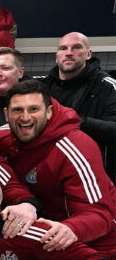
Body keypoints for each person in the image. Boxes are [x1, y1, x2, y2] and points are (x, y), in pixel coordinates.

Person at [0, 80, 116, 260]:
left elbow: (101, 214)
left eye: (33, 109)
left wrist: (72, 228)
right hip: (45, 243)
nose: (25, 117)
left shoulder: (76, 146)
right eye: (17, 110)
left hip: (94, 248)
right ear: (6, 114)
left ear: (48, 112)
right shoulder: (2, 137)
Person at [41, 32, 116, 175]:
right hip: (48, 171)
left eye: (76, 48)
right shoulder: (41, 86)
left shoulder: (108, 87)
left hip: (91, 172)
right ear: (57, 56)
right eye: (63, 48)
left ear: (88, 54)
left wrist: (75, 121)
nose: (68, 53)